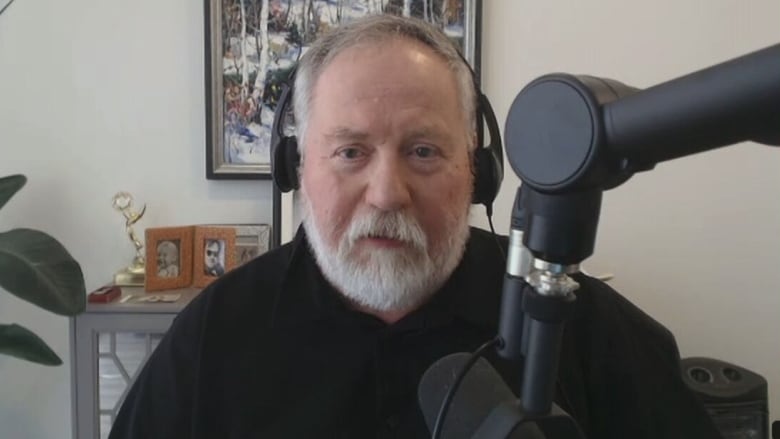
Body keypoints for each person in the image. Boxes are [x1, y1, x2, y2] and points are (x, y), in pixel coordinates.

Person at [110, 15, 721, 438]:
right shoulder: (214, 337)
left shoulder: (577, 323)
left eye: (423, 151)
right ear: (297, 168)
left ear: (477, 171)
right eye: (351, 152)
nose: (386, 194)